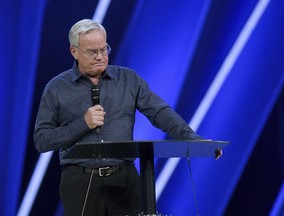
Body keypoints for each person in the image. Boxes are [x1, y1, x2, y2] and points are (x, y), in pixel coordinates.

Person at [34, 19, 203, 216]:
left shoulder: (128, 79)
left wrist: (192, 138)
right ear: (74, 52)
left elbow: (160, 112)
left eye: (104, 49)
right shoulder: (56, 88)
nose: (100, 57)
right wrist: (82, 124)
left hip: (124, 179)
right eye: (92, 52)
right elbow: (42, 140)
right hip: (79, 182)